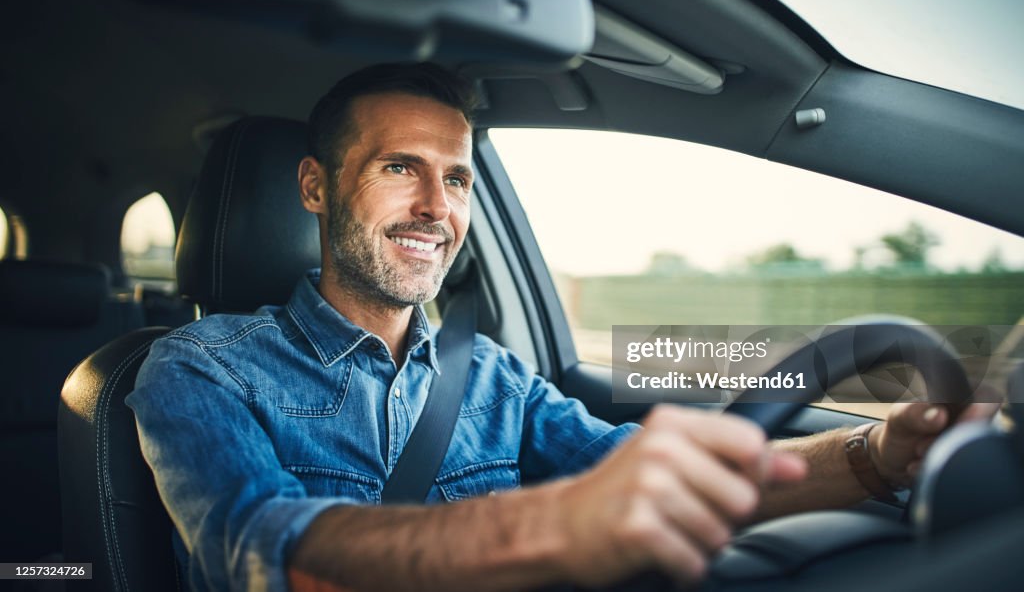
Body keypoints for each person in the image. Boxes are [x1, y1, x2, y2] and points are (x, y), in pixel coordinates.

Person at [127, 63, 996, 592]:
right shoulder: (200, 368)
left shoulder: (491, 374)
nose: (436, 207)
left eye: (457, 179)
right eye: (399, 168)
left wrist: (875, 456)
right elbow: (263, 553)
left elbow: (651, 476)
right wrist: (556, 526)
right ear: (316, 187)